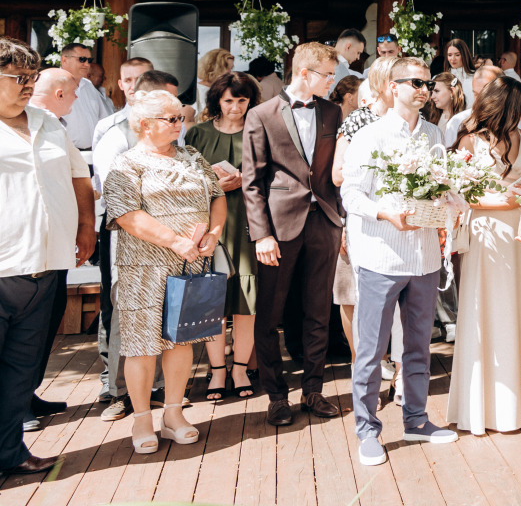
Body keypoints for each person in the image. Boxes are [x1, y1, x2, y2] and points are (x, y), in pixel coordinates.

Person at [341, 56, 460, 466]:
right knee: (371, 351)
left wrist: (452, 200)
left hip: (425, 257)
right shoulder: (369, 136)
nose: (423, 89)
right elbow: (351, 195)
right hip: (380, 255)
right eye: (414, 82)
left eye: (427, 82)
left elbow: (441, 188)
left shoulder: (434, 134)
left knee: (418, 348)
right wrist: (384, 213)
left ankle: (416, 419)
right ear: (393, 87)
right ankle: (367, 430)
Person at [103, 88, 227, 455]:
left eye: (181, 117)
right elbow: (127, 216)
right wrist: (175, 241)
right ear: (144, 125)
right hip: (144, 267)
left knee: (183, 339)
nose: (179, 124)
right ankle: (142, 419)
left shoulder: (192, 156)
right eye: (171, 119)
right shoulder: (126, 164)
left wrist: (214, 235)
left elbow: (217, 196)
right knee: (142, 346)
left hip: (190, 263)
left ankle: (174, 415)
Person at [0, 39, 93, 476]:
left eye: (32, 78)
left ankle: (10, 453)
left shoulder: (49, 123)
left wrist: (86, 226)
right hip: (2, 268)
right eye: (19, 78)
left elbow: (79, 177)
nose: (28, 86)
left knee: (23, 370)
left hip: (46, 266)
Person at [241, 41, 345, 427]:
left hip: (325, 222)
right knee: (270, 313)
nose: (333, 82)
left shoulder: (334, 112)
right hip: (279, 226)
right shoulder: (262, 114)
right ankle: (276, 396)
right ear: (305, 73)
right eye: (328, 75)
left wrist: (342, 220)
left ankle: (313, 390)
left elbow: (338, 171)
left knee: (318, 310)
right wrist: (261, 235)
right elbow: (252, 183)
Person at [446, 75, 521, 434]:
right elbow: (456, 194)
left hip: (520, 236)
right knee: (490, 312)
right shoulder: (469, 139)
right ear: (504, 107)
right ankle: (489, 407)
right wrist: (497, 200)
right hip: (487, 235)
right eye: (519, 108)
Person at [90, 67, 178, 418]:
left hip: (168, 247)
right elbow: (119, 198)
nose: (177, 110)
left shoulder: (172, 133)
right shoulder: (115, 136)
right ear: (146, 100)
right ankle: (117, 393)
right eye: (169, 101)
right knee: (125, 316)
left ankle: (154, 388)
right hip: (131, 241)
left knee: (160, 317)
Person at [189, 72, 263, 401]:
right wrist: (216, 186)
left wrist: (246, 180)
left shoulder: (260, 130)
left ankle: (241, 368)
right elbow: (185, 183)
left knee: (246, 305)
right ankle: (217, 370)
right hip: (210, 228)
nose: (235, 107)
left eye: (242, 100)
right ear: (217, 100)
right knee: (213, 302)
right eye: (228, 100)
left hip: (249, 224)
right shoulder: (197, 133)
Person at [332, 58, 405, 393]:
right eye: (404, 82)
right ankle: (367, 377)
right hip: (364, 220)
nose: (413, 90)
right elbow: (338, 174)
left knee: (405, 304)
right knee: (363, 302)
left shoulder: (414, 122)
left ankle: (403, 374)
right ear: (385, 83)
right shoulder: (358, 121)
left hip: (407, 224)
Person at [447, 65, 521, 202]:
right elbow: (458, 192)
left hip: (519, 218)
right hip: (485, 220)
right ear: (505, 110)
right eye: (520, 109)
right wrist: (505, 201)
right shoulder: (470, 141)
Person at [58, 42, 113, 157]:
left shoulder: (88, 85)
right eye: (82, 59)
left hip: (92, 153)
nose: (86, 64)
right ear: (64, 60)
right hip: (65, 154)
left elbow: (104, 118)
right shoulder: (54, 84)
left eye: (89, 60)